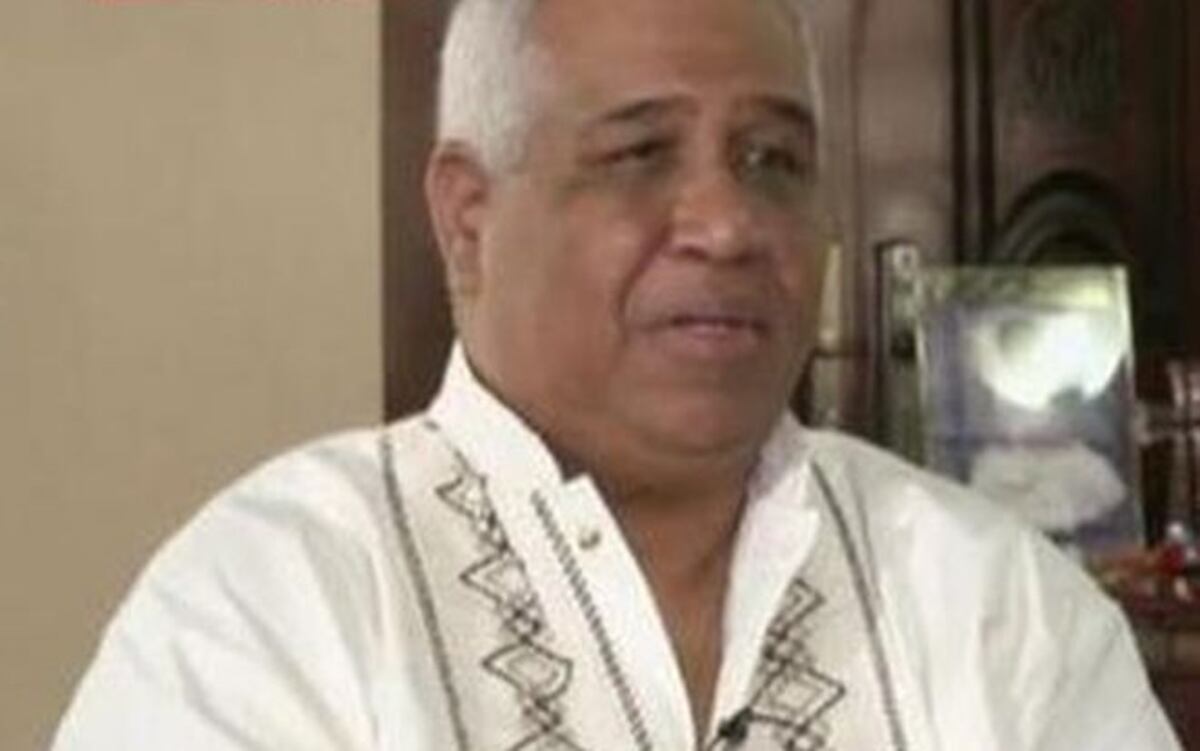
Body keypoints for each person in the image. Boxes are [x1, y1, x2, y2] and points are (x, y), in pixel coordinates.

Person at [54, 0, 1181, 748]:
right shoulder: (277, 601)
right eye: (640, 153)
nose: (728, 224)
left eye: (772, 159)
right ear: (468, 218)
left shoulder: (997, 604)